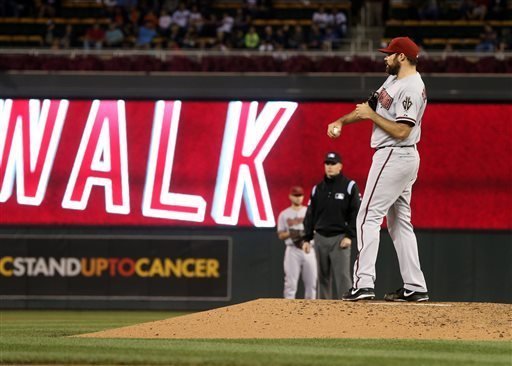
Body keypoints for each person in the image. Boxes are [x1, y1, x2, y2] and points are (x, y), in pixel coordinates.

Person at [327, 37, 429, 302]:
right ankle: (415, 286)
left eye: (390, 54)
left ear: (402, 57)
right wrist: (340, 121)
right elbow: (367, 108)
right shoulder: (393, 81)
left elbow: (402, 129)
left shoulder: (410, 87)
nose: (385, 57)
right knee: (399, 223)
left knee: (367, 217)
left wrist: (372, 116)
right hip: (401, 158)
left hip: (394, 155)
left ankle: (363, 283)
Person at [303, 152, 361, 299]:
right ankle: (324, 312)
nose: (329, 167)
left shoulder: (349, 186)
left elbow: (356, 212)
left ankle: (347, 310)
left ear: (340, 166)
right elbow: (310, 214)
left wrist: (349, 235)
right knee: (322, 277)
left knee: (342, 276)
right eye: (327, 163)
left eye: (333, 163)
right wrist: (307, 237)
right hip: (320, 237)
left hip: (340, 238)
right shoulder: (318, 188)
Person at [277, 186, 317, 299]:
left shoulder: (309, 212)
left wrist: (303, 234)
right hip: (292, 249)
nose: (298, 198)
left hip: (308, 248)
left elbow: (316, 230)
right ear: (290, 196)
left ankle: (311, 311)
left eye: (300, 195)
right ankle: (288, 312)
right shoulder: (284, 214)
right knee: (290, 283)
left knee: (312, 283)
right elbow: (280, 234)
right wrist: (291, 233)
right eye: (296, 195)